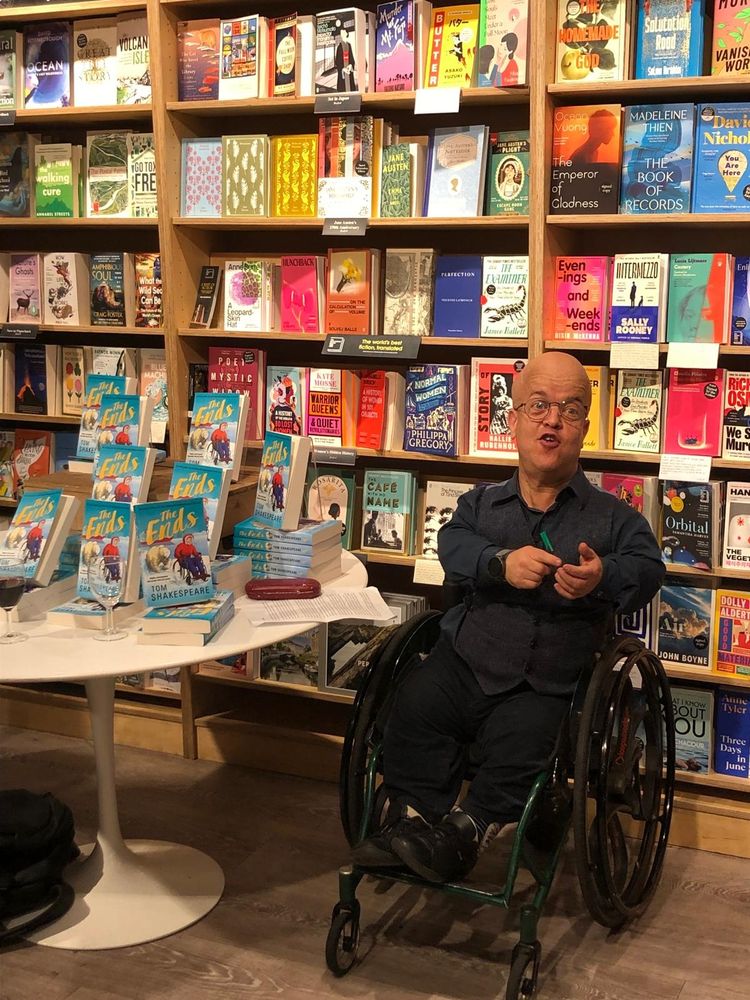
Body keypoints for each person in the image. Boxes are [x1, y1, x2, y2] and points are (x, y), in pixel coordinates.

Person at [352, 352, 665, 883]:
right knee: (416, 704)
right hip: (466, 659)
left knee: (525, 739)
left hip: (546, 682)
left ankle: (468, 832)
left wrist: (603, 576)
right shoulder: (481, 505)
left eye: (569, 409)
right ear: (514, 420)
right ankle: (412, 822)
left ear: (585, 428)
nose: (552, 420)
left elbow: (648, 568)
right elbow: (451, 544)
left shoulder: (615, 517)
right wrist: (498, 563)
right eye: (538, 406)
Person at [334, 26, 356, 91]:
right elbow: (337, 61)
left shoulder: (349, 45)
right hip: (343, 69)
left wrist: (351, 65)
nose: (342, 34)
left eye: (343, 32)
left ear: (346, 33)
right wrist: (342, 69)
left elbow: (351, 57)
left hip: (348, 67)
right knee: (343, 87)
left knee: (350, 85)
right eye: (341, 33)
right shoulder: (339, 47)